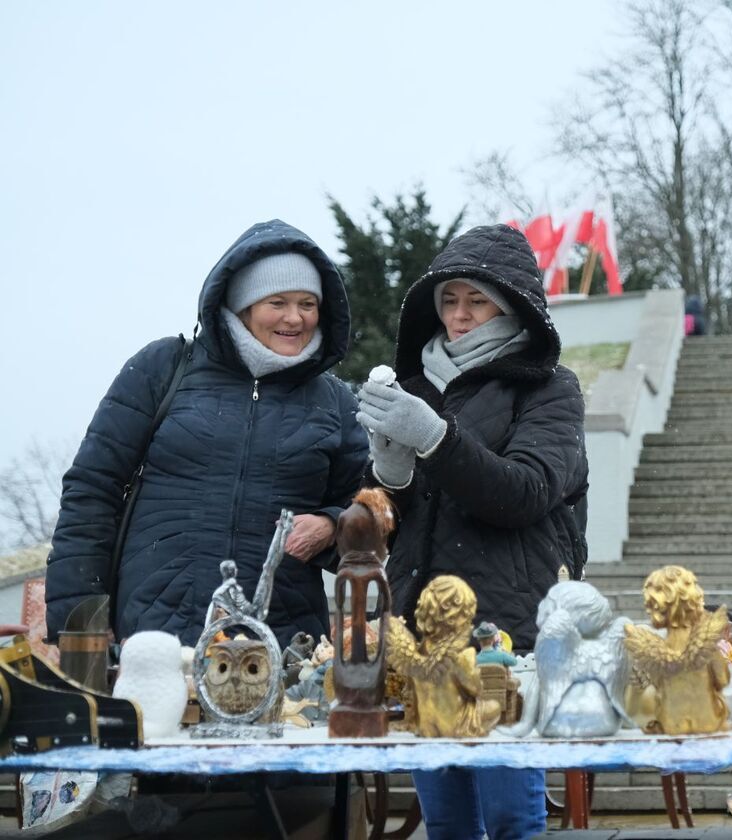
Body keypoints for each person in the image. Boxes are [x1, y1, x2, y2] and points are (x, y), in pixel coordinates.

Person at [356, 223, 588, 840]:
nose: (459, 315)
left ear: (511, 306)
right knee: (448, 818)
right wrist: (388, 473)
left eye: (477, 300)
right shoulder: (414, 387)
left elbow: (526, 492)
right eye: (449, 300)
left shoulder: (549, 389)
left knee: (512, 815)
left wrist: (435, 438)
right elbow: (388, 520)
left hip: (505, 630)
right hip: (424, 625)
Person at [45, 220, 368, 649]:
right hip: (153, 637)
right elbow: (92, 490)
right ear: (242, 305)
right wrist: (79, 618)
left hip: (282, 644)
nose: (296, 318)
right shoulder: (164, 368)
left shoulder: (335, 401)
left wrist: (331, 525)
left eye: (308, 303)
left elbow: (368, 506)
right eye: (277, 302)